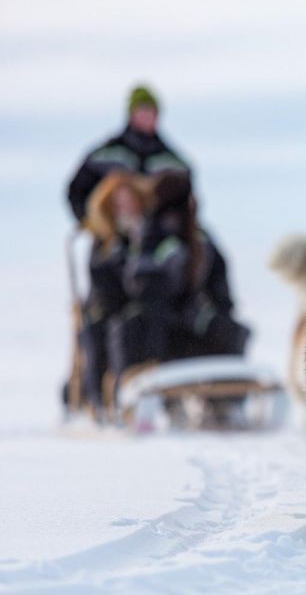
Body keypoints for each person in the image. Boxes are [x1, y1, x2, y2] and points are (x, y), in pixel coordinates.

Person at [107, 172, 250, 385]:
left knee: (229, 330)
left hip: (184, 324)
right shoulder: (151, 236)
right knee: (130, 329)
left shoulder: (197, 240)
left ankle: (225, 395)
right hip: (162, 328)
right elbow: (142, 285)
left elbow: (220, 288)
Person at [73, 171, 155, 411]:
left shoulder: (149, 237)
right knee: (105, 331)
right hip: (107, 309)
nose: (125, 208)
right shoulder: (103, 243)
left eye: (129, 201)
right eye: (118, 203)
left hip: (142, 310)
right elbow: (102, 281)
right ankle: (101, 400)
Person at [67, 85, 190, 223]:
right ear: (131, 114)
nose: (147, 116)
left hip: (155, 232)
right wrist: (91, 221)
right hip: (113, 230)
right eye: (142, 110)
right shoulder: (106, 154)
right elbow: (77, 190)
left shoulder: (172, 162)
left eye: (151, 111)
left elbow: (186, 200)